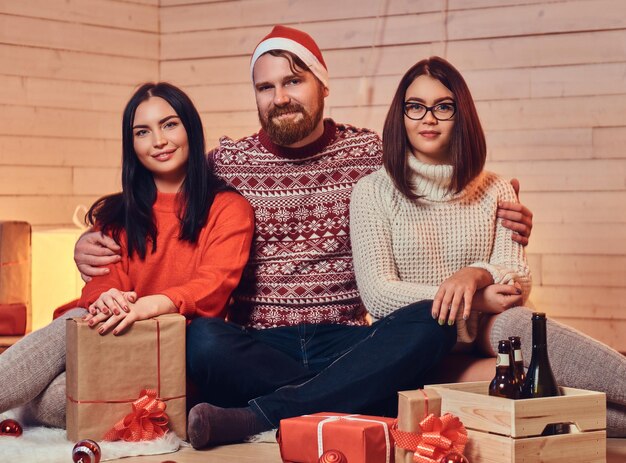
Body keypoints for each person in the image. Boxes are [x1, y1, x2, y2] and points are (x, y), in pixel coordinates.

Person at [73, 26, 534, 447]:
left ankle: (261, 415)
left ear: (322, 84)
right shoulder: (224, 164)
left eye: (293, 81)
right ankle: (355, 395)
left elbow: (440, 186)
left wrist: (502, 215)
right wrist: (88, 240)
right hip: (257, 342)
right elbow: (166, 206)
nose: (280, 97)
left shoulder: (372, 152)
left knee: (430, 323)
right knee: (202, 341)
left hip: (350, 337)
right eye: (266, 87)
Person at [350, 56, 626, 437]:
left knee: (519, 324)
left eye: (443, 107)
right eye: (415, 107)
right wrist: (475, 298)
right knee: (529, 391)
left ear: (460, 115)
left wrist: (476, 274)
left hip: (486, 336)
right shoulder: (373, 192)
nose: (428, 118)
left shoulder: (493, 188)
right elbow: (379, 295)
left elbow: (517, 280)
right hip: (421, 351)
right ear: (400, 116)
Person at [0, 82, 254, 429]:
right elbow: (103, 277)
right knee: (76, 319)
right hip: (108, 331)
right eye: (142, 132)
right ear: (132, 145)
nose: (159, 141)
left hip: (174, 351)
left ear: (190, 127)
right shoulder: (117, 212)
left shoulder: (228, 208)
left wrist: (152, 305)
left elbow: (214, 284)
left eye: (169, 124)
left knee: (56, 403)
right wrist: (107, 297)